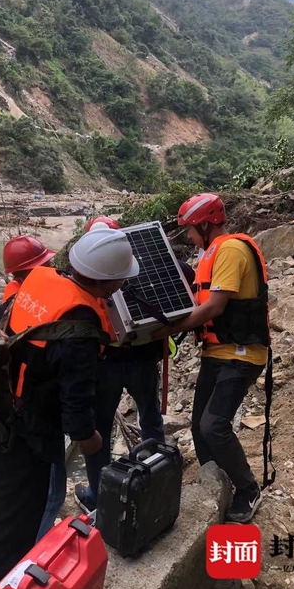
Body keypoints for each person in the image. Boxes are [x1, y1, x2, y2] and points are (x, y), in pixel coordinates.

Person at [0, 227, 139, 589]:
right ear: (110, 283)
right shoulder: (81, 324)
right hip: (26, 438)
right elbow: (76, 405)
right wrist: (91, 440)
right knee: (14, 532)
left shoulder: (38, 280)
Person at [73, 216, 194, 514]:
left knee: (100, 429)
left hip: (109, 363)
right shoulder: (140, 265)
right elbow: (186, 276)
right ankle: (154, 482)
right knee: (151, 421)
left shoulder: (88, 276)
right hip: (141, 359)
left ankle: (98, 497)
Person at [165, 193, 270, 524]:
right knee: (199, 427)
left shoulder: (230, 250)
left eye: (191, 231)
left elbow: (214, 307)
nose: (189, 238)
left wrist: (167, 329)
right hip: (217, 352)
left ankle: (248, 489)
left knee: (214, 425)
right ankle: (218, 484)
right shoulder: (212, 252)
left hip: (241, 354)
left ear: (206, 225)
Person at [0, 235, 66, 542]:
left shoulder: (11, 302)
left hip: (13, 412)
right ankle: (34, 555)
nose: (51, 266)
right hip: (34, 418)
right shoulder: (34, 303)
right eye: (45, 263)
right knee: (49, 493)